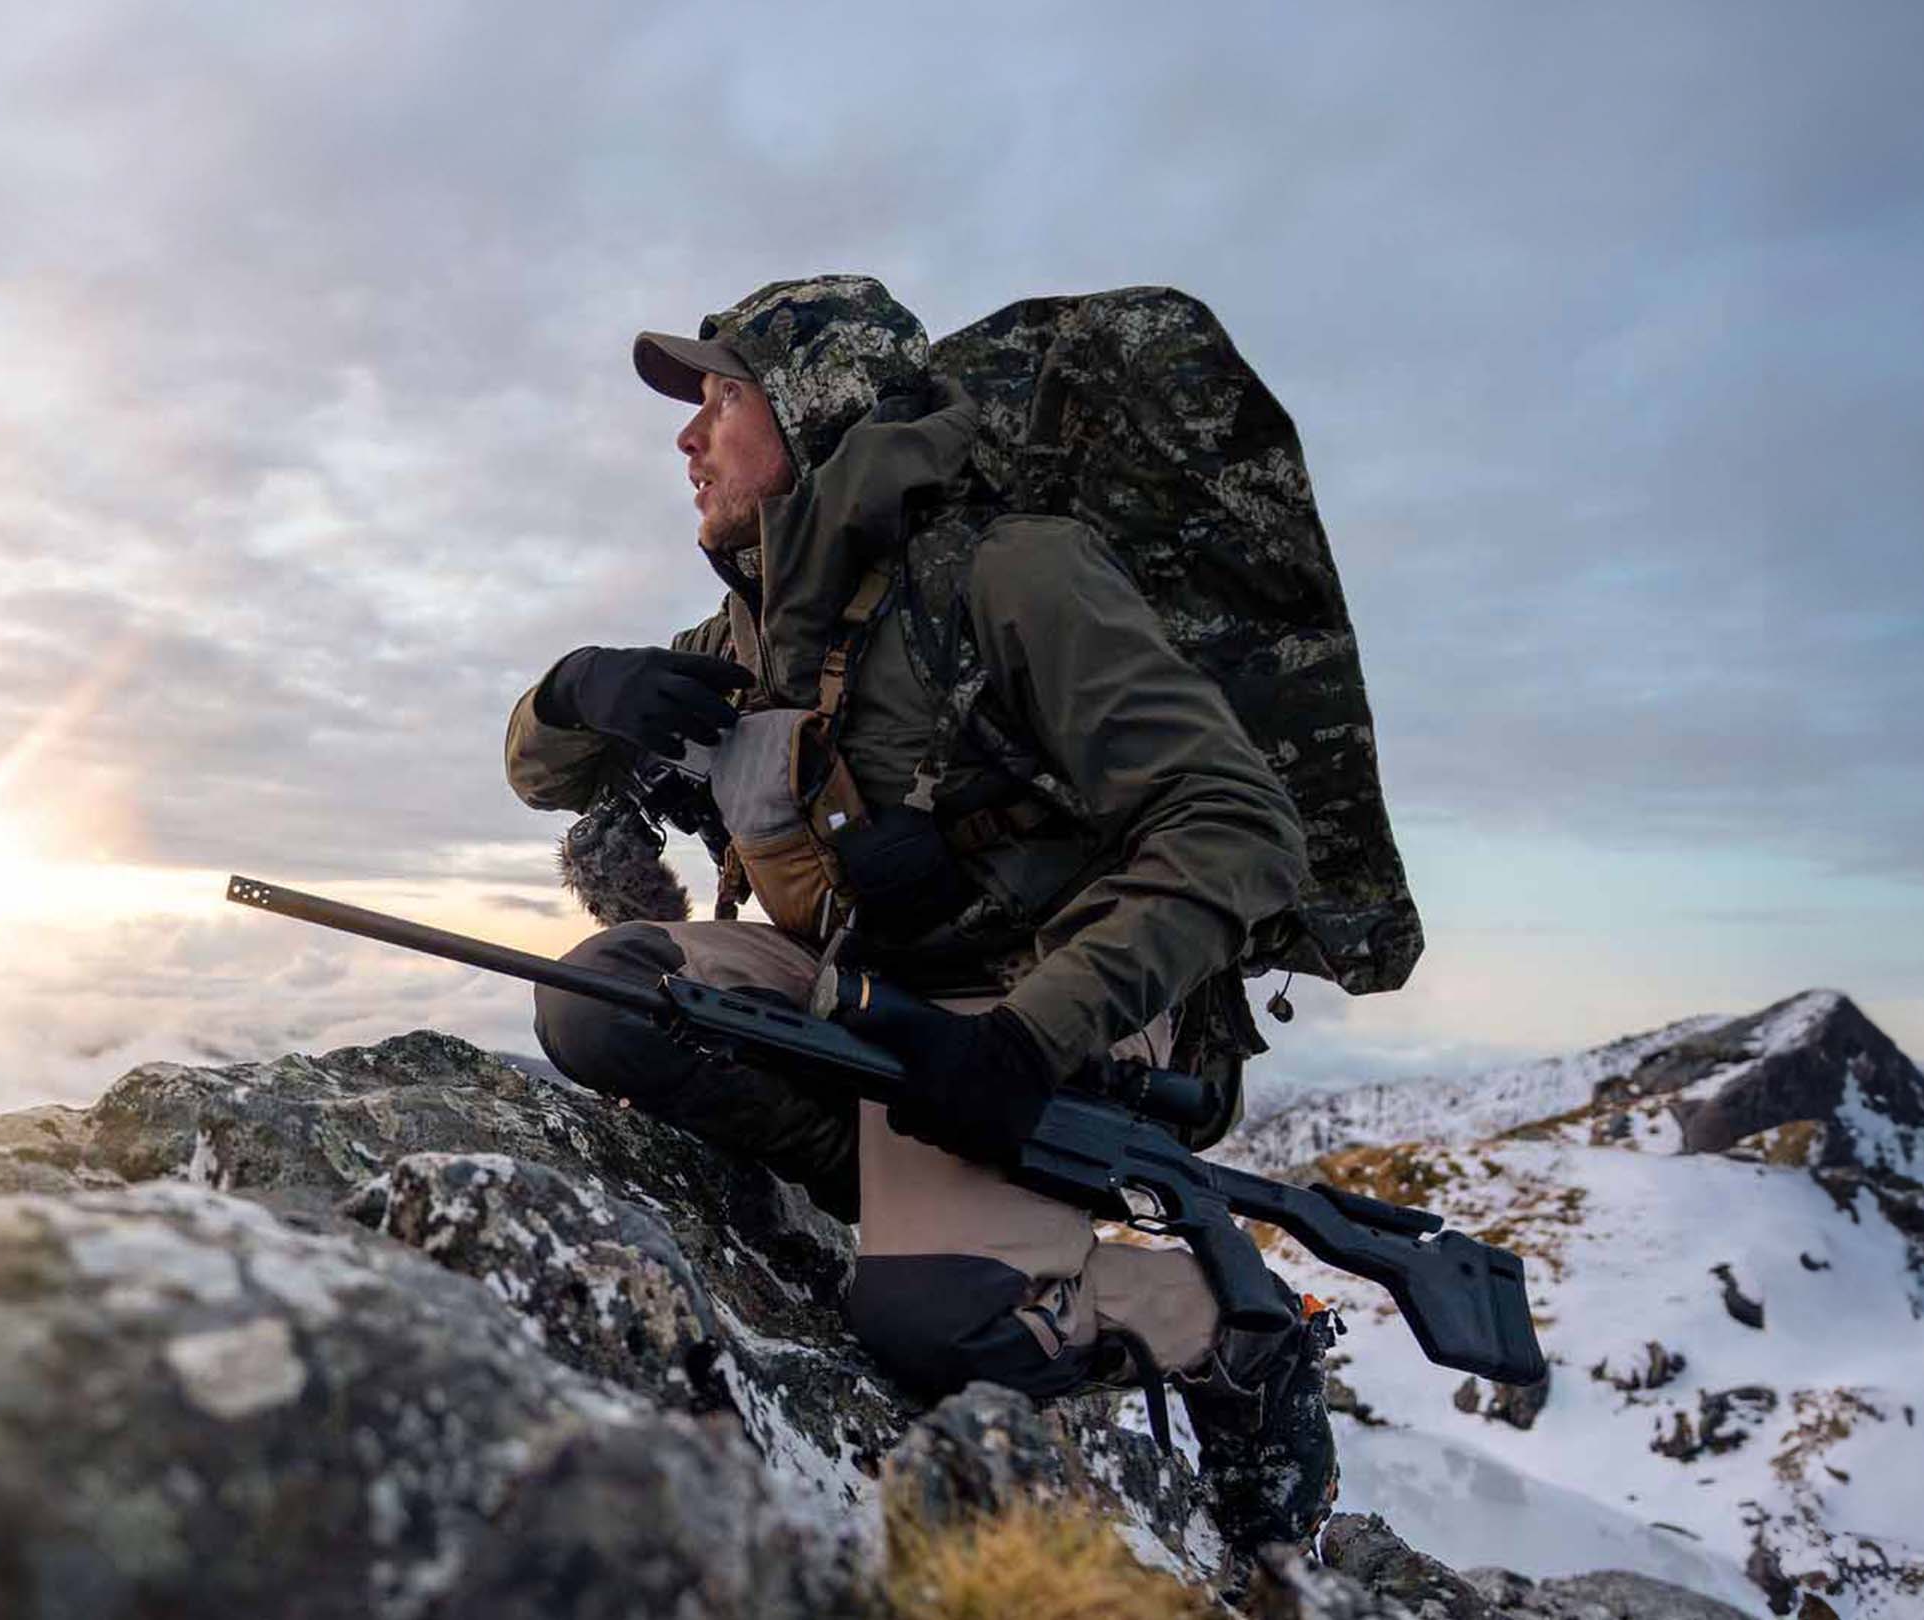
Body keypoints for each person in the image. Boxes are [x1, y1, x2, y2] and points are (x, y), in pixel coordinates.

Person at [505, 275, 1337, 1548]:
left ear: (815, 408)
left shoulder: (1017, 573)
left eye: (719, 398)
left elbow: (1239, 828)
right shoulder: (755, 623)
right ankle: (912, 1184)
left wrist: (1022, 1039)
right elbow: (538, 774)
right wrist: (575, 692)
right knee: (602, 999)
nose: (687, 438)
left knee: (937, 1324)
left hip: (1046, 998)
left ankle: (1229, 1334)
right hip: (859, 986)